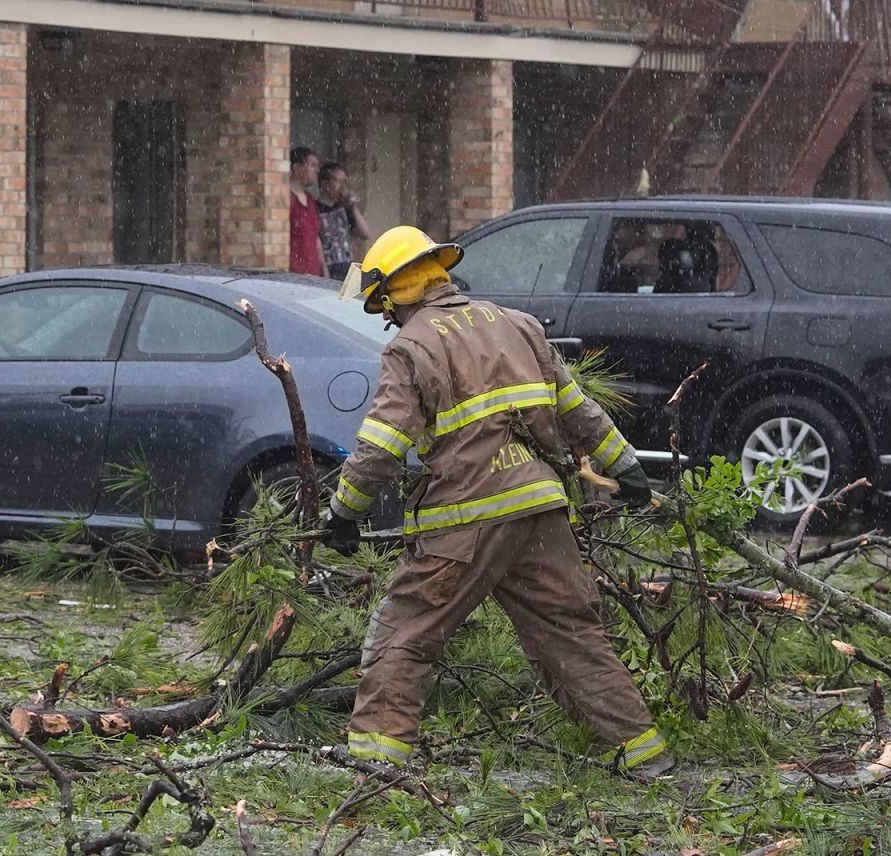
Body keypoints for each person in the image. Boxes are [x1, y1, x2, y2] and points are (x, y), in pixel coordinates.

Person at [323, 225, 674, 781]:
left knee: (405, 635)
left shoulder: (412, 346)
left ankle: (374, 769)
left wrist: (344, 512)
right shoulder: (517, 325)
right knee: (573, 635)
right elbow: (578, 410)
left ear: (396, 291)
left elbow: (382, 446)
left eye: (382, 305)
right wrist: (627, 469)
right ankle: (645, 757)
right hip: (538, 510)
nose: (384, 317)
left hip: (465, 521)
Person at [316, 162, 371, 281]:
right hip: (326, 270)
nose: (341, 186)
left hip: (347, 268)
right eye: (337, 181)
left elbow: (365, 234)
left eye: (343, 181)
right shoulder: (315, 209)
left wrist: (353, 207)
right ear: (325, 183)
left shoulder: (344, 208)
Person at [289, 147, 326, 277]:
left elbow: (316, 238)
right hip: (292, 275)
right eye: (312, 165)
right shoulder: (286, 198)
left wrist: (324, 270)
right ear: (296, 167)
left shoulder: (310, 200)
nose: (317, 170)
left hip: (313, 273)